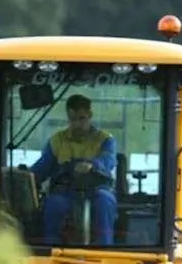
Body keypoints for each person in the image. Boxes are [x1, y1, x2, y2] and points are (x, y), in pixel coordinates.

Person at [26, 94, 118, 245]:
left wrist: (93, 165)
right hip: (66, 190)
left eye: (82, 118)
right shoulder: (57, 140)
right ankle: (51, 249)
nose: (77, 124)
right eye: (73, 119)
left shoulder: (105, 139)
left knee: (105, 201)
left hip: (97, 188)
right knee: (53, 204)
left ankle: (106, 249)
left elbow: (109, 160)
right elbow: (43, 168)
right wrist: (25, 175)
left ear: (90, 115)